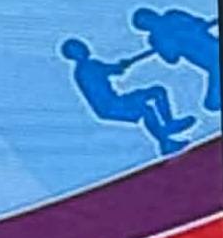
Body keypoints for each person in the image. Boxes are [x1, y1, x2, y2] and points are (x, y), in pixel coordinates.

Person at [60, 38, 192, 155]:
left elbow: (113, 70)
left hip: (113, 102)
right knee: (147, 108)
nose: (84, 48)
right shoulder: (87, 67)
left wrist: (121, 65)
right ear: (73, 55)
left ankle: (168, 128)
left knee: (155, 95)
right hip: (111, 105)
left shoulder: (86, 67)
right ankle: (166, 139)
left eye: (82, 46)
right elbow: (114, 70)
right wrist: (122, 65)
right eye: (79, 48)